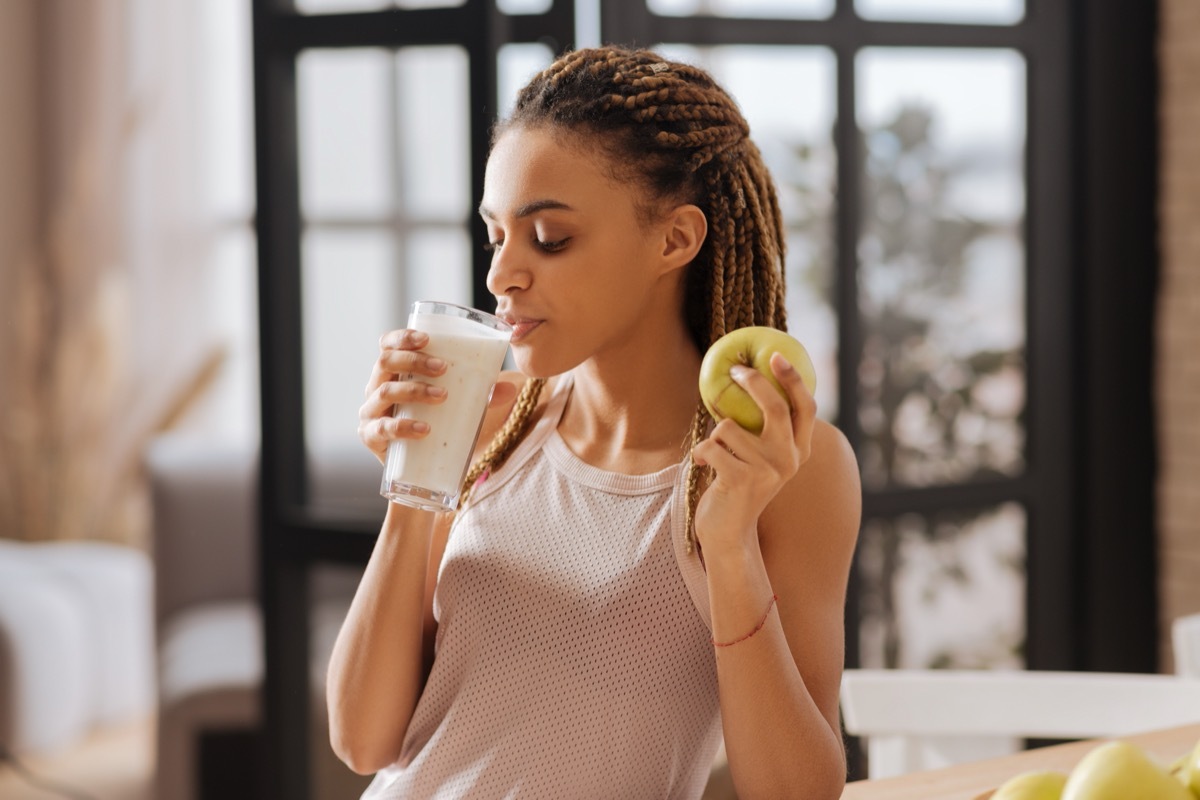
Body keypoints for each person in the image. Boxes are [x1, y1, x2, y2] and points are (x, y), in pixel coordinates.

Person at [327, 44, 862, 800]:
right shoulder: (488, 422)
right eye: (496, 235)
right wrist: (413, 484)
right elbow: (363, 741)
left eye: (549, 239)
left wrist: (729, 545)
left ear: (674, 240)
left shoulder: (779, 466)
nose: (500, 275)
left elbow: (796, 793)